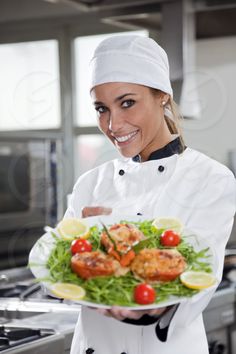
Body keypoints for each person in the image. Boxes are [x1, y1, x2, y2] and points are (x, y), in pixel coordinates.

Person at [65, 35, 236, 354]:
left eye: (127, 102)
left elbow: (199, 277)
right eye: (102, 108)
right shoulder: (91, 182)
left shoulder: (209, 178)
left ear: (162, 96)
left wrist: (148, 301)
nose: (113, 124)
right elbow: (61, 268)